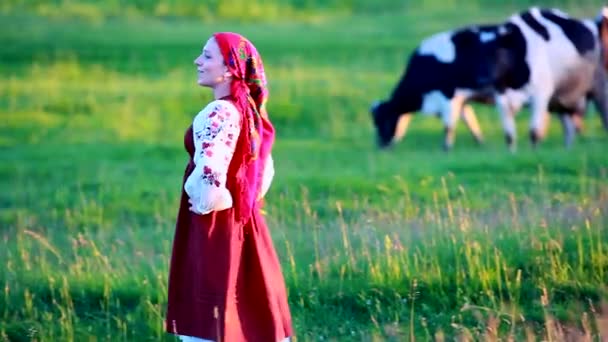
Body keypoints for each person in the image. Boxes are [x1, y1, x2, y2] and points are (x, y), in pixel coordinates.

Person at [165, 32, 294, 342]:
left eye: (207, 56)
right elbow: (262, 176)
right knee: (249, 306)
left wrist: (205, 204)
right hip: (247, 223)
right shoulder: (249, 112)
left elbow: (208, 180)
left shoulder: (219, 113)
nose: (198, 61)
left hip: (217, 227)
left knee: (214, 310)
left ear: (231, 68)